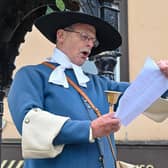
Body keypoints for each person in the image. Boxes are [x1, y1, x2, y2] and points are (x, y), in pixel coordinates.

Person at [7, 11, 168, 168]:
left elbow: (140, 94)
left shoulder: (100, 84)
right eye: (85, 37)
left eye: (93, 41)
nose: (90, 44)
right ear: (61, 35)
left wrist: (160, 78)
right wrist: (89, 129)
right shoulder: (31, 76)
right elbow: (29, 123)